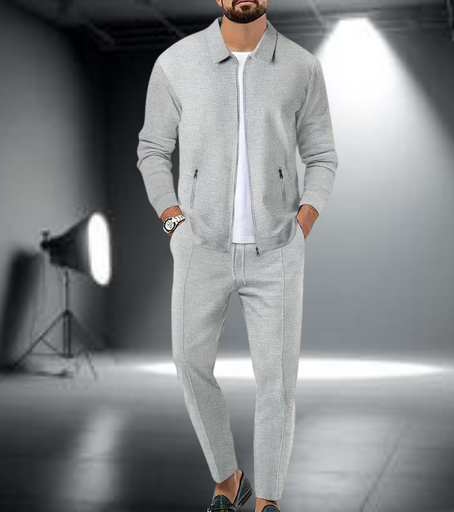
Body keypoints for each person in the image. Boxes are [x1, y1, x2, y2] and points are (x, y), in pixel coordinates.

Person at [137, 1, 338, 510]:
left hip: (278, 250)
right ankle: (228, 479)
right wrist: (174, 222)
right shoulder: (176, 63)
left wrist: (303, 222)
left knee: (277, 383)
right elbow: (152, 149)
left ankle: (267, 500)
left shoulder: (301, 66)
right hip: (200, 247)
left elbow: (322, 155)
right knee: (189, 363)